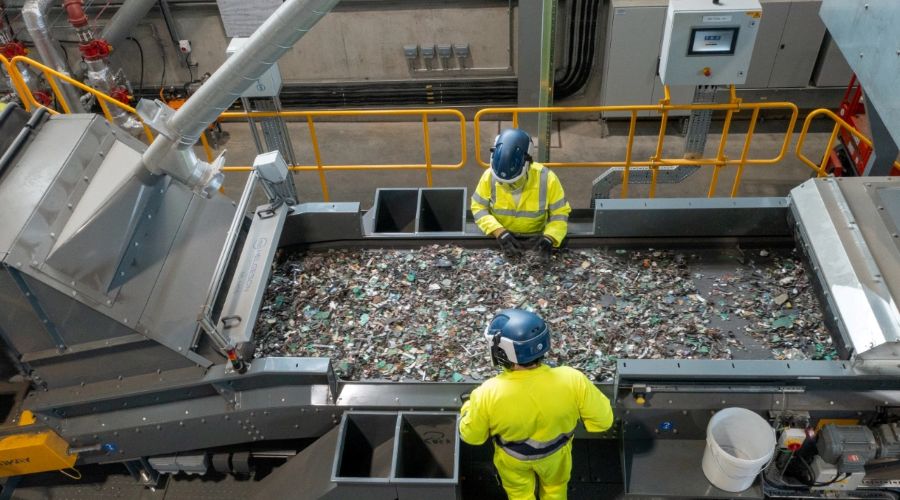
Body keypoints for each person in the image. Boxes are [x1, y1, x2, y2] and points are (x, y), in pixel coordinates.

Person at [459, 309, 614, 500]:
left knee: (519, 494)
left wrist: (468, 408)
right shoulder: (573, 379)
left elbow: (472, 437)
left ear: (502, 350)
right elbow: (604, 422)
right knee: (556, 490)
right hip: (556, 456)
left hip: (513, 459)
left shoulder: (487, 393)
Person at [471, 128, 571, 263]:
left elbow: (560, 213)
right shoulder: (489, 177)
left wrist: (550, 238)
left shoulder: (547, 179)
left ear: (528, 164)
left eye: (514, 181)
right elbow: (478, 207)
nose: (509, 186)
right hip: (503, 236)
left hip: (535, 236)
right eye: (502, 182)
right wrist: (499, 232)